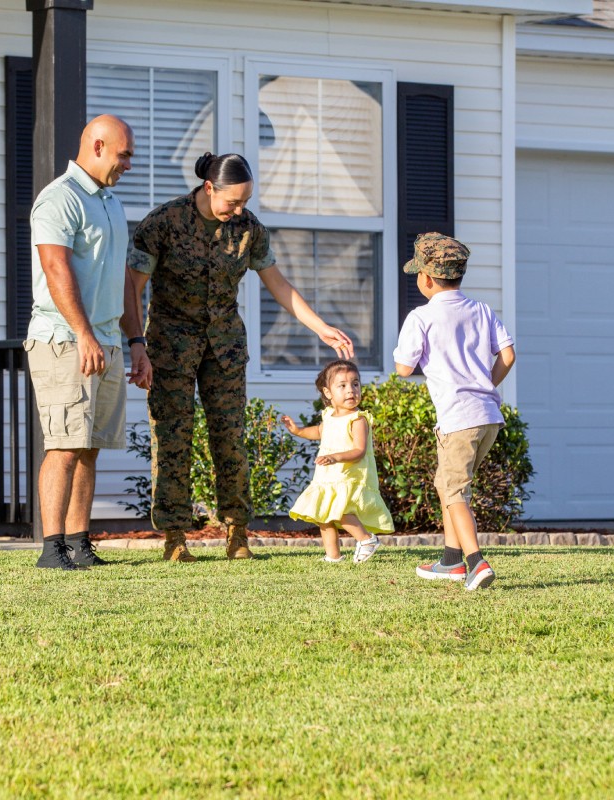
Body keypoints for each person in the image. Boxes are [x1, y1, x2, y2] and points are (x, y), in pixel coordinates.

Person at [124, 152, 353, 563]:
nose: (239, 209)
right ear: (209, 188)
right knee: (172, 439)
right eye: (233, 201)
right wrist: (136, 342)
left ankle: (237, 532)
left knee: (230, 438)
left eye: (245, 201)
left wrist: (319, 326)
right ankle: (175, 537)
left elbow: (278, 284)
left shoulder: (249, 229)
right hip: (170, 347)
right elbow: (132, 286)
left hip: (225, 347)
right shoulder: (164, 223)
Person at [25, 114, 151, 570]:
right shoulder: (59, 199)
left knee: (89, 444)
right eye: (125, 155)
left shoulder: (111, 203)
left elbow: (122, 280)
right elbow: (56, 270)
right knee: (63, 443)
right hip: (64, 340)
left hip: (107, 342)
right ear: (97, 146)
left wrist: (135, 341)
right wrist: (83, 333)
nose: (129, 164)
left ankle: (79, 543)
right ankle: (51, 548)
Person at [393, 232, 516, 590]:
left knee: (453, 492)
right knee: (448, 485)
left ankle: (476, 562)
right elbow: (507, 356)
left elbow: (403, 368)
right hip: (488, 417)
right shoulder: (481, 309)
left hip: (457, 418)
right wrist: (487, 386)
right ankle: (450, 561)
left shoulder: (421, 317)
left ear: (426, 278)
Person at [281, 360, 394, 563]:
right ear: (328, 392)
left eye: (355, 384)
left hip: (347, 475)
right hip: (327, 478)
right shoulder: (329, 416)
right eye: (342, 385)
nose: (350, 390)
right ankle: (332, 556)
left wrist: (335, 457)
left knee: (339, 511)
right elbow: (318, 431)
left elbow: (359, 450)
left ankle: (366, 539)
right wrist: (297, 431)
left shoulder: (358, 419)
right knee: (323, 516)